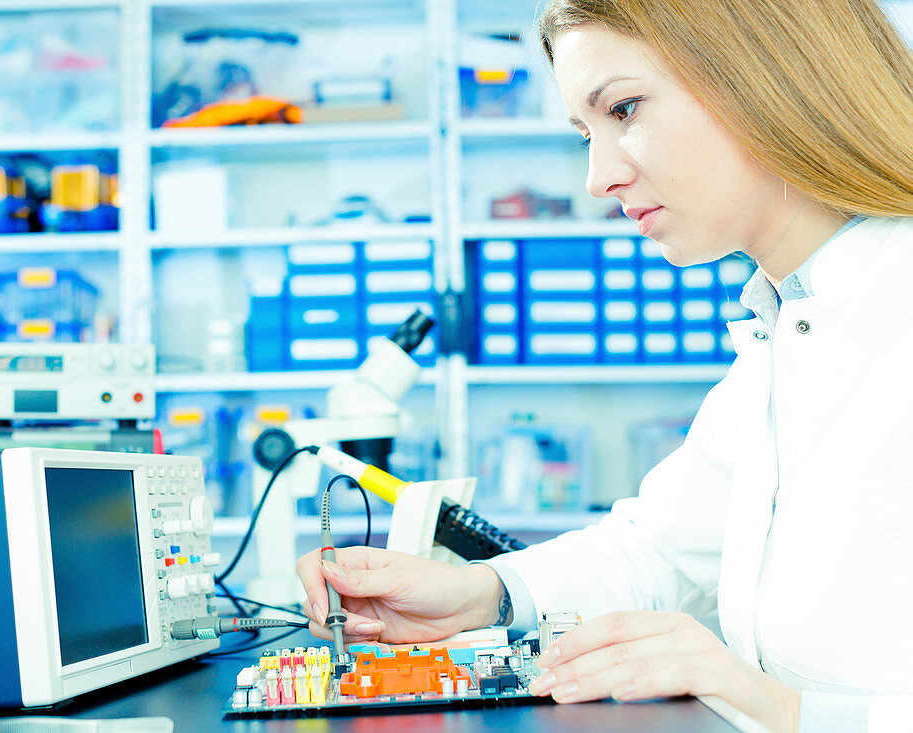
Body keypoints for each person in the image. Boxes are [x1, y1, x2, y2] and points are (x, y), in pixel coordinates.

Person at [295, 1, 913, 730]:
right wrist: (482, 591)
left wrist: (792, 713)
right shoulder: (785, 327)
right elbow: (661, 547)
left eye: (623, 108)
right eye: (587, 133)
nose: (597, 178)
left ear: (767, 74)